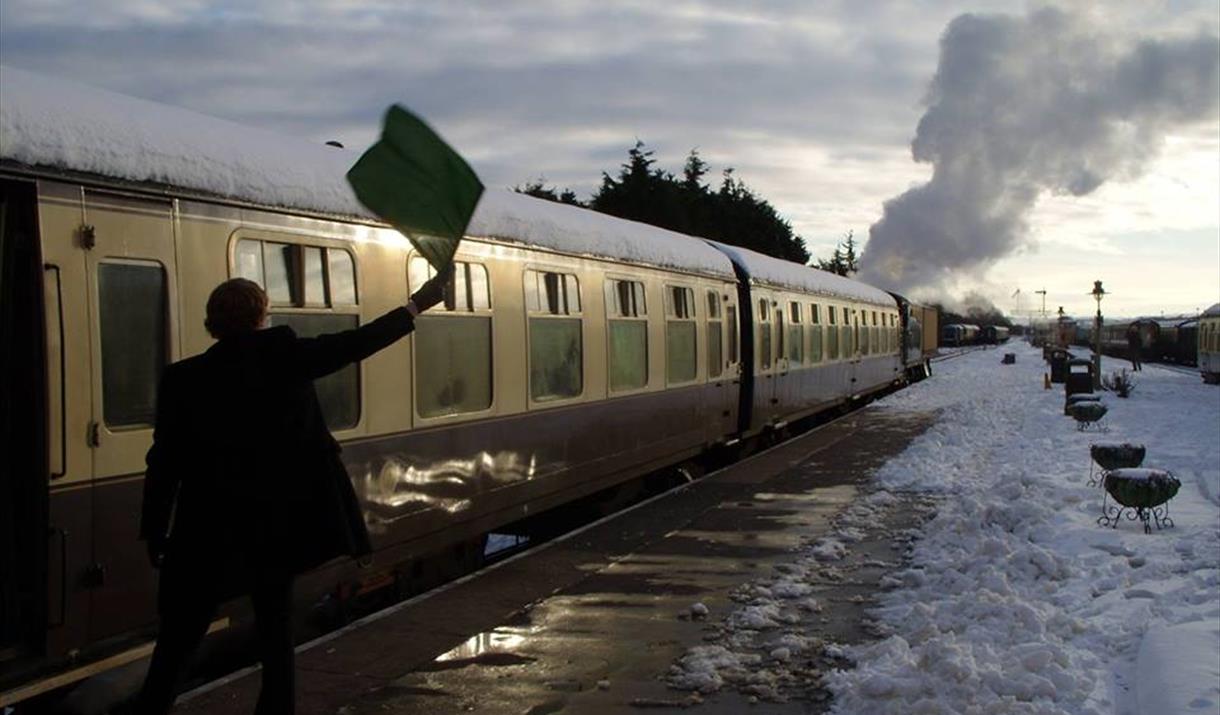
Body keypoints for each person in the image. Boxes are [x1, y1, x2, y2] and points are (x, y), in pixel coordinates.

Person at [135, 267, 450, 715]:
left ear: (212, 322)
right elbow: (356, 343)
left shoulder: (182, 379)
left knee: (178, 640)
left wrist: (154, 529)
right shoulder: (287, 357)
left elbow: (164, 462)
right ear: (261, 315)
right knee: (275, 631)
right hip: (274, 525)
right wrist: (415, 305)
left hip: (205, 525)